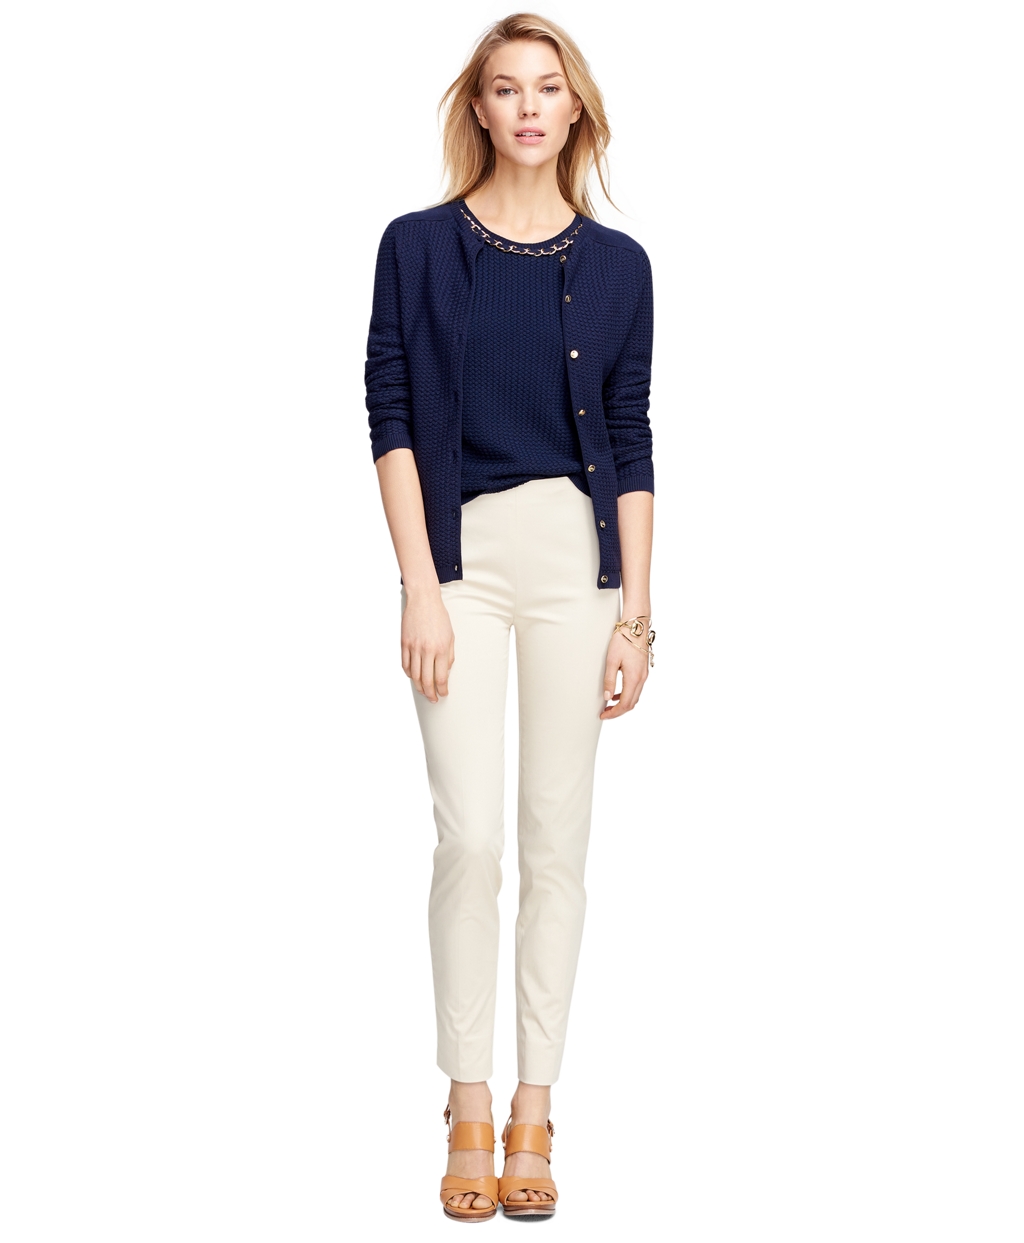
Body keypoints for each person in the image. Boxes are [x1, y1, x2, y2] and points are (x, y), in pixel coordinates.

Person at [364, 12, 655, 1222]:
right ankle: (467, 1097)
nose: (527, 107)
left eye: (546, 87)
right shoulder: (416, 246)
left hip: (577, 569)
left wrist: (637, 613)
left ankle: (535, 1102)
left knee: (553, 841)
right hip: (462, 564)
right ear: (477, 108)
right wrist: (418, 584)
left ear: (573, 108)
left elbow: (630, 432)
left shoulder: (622, 264)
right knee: (470, 838)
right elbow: (387, 407)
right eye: (504, 88)